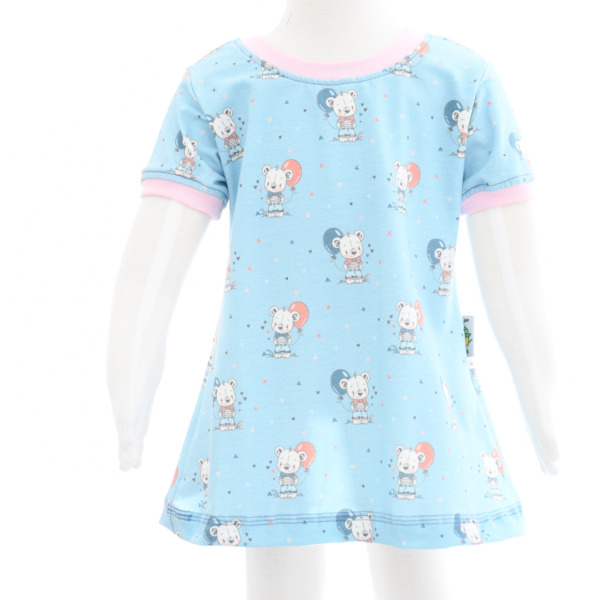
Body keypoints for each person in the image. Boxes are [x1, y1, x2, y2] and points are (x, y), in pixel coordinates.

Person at [107, 1, 560, 598]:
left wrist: (547, 411)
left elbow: (518, 277)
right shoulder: (218, 86)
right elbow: (151, 273)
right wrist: (128, 399)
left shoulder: (460, 82)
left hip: (400, 381)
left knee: (405, 562)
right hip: (278, 387)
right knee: (306, 566)